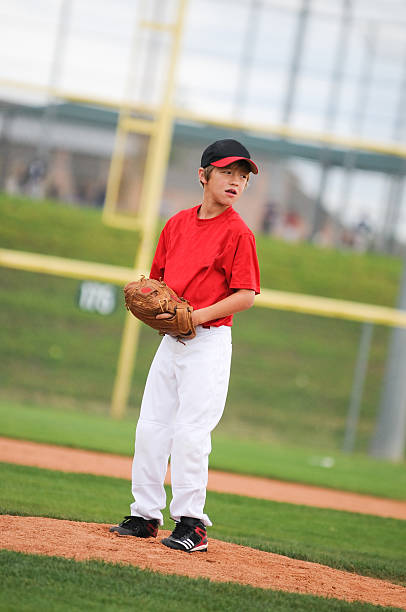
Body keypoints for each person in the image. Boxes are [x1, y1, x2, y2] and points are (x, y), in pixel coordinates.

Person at [110, 139, 261, 552]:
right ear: (203, 174)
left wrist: (194, 316)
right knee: (152, 426)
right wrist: (159, 311)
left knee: (191, 432)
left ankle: (193, 525)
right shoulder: (176, 224)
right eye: (227, 172)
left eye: (243, 176)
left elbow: (246, 294)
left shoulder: (238, 233)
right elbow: (156, 283)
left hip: (208, 342)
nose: (236, 181)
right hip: (172, 342)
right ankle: (144, 515)